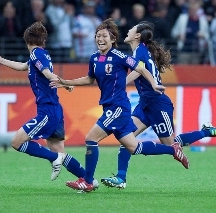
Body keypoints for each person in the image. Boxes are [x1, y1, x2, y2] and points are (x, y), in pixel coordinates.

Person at [50, 18, 189, 192]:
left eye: (104, 36)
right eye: (97, 36)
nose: (100, 39)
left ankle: (88, 181)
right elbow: (89, 79)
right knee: (134, 147)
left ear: (113, 39)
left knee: (91, 138)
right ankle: (173, 150)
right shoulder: (94, 58)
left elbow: (141, 68)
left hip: (118, 108)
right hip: (110, 107)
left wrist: (153, 83)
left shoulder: (119, 57)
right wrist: (66, 82)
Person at [101, 21, 216, 189]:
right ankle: (121, 178)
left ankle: (206, 131)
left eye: (131, 29)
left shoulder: (140, 51)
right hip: (145, 104)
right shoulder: (139, 50)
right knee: (127, 139)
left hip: (158, 104)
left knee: (171, 144)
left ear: (137, 35)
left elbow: (138, 72)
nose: (128, 31)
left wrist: (117, 85)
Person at [0, 22, 89, 184]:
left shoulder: (35, 54)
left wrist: (64, 83)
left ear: (27, 40)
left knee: (17, 142)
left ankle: (53, 158)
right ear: (43, 40)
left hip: (47, 111)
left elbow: (47, 73)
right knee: (60, 151)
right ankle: (88, 179)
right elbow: (23, 66)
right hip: (55, 109)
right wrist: (1, 60)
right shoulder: (41, 54)